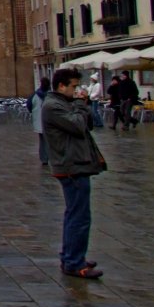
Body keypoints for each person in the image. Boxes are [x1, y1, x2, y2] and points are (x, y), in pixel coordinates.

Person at [42, 67, 106, 279]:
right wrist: (80, 104)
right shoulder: (53, 106)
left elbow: (88, 125)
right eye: (73, 86)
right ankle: (74, 262)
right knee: (79, 217)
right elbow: (78, 126)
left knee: (76, 214)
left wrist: (80, 105)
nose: (76, 90)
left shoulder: (64, 103)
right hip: (71, 166)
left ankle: (71, 256)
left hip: (77, 164)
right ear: (61, 86)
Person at [28, 77, 50, 165]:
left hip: (39, 121)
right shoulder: (51, 95)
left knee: (42, 141)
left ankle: (44, 158)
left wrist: (34, 112)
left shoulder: (34, 95)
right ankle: (50, 157)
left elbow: (29, 105)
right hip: (50, 121)